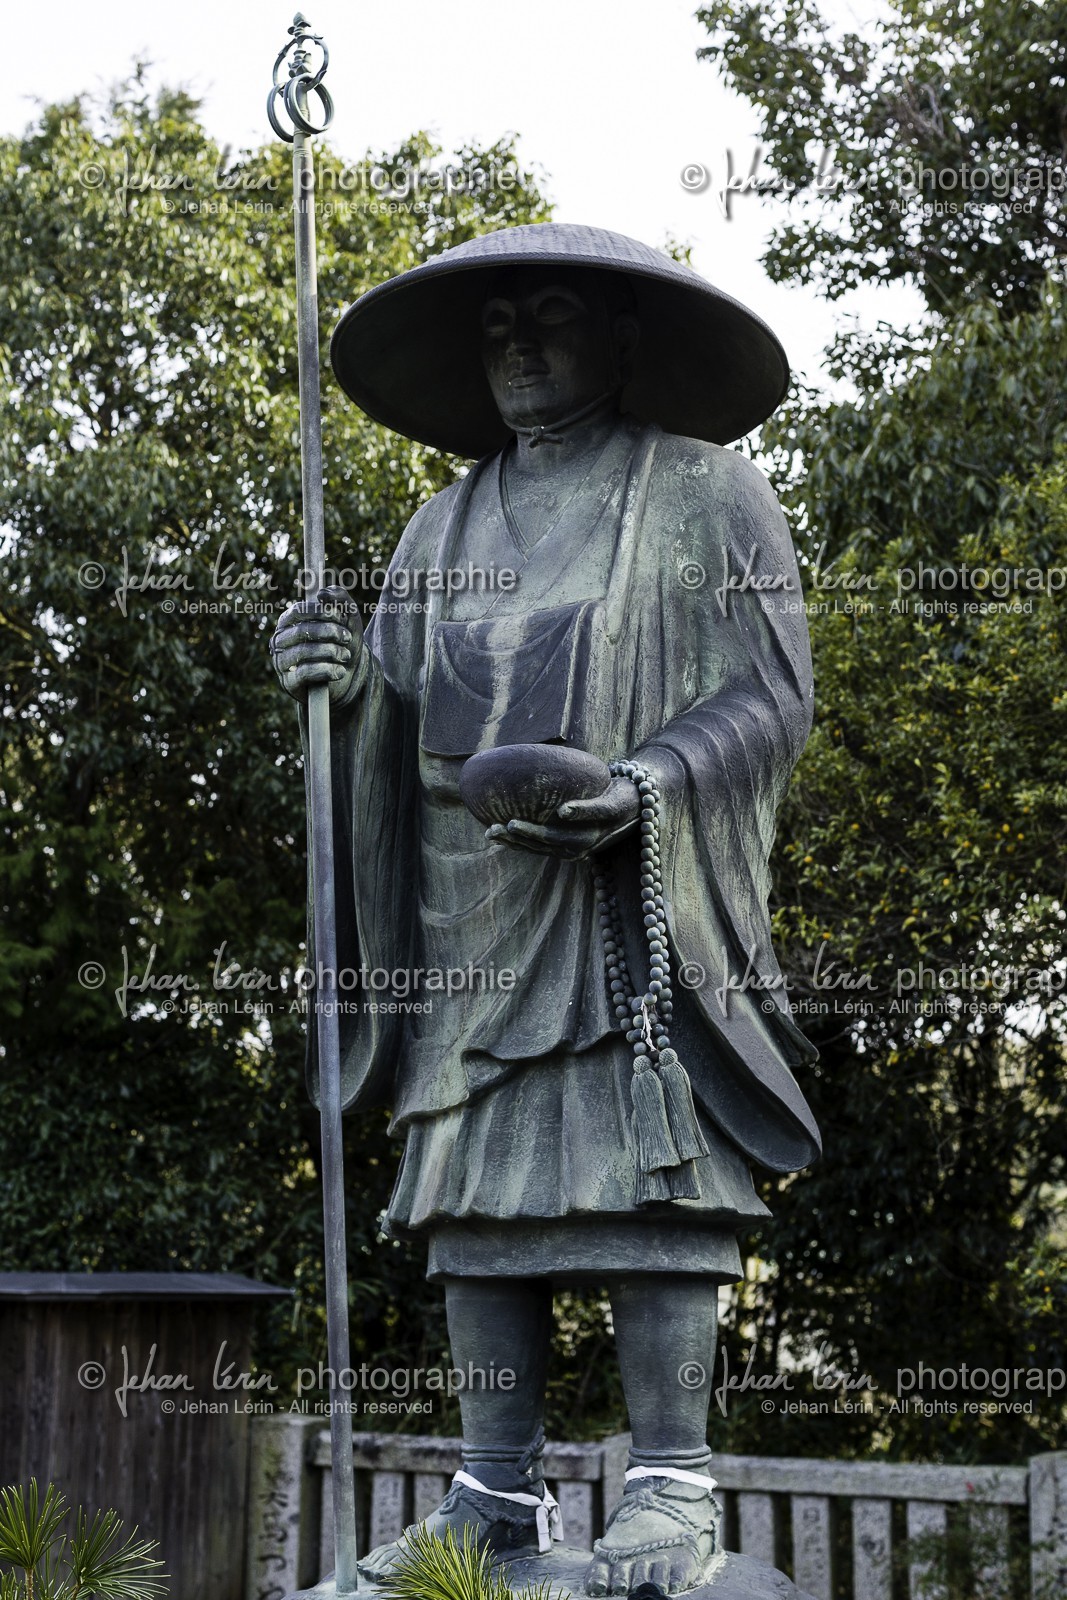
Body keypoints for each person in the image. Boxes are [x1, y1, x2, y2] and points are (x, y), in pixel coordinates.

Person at [271, 223, 820, 1598]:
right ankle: (489, 1496)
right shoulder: (437, 527)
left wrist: (645, 785)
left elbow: (771, 696)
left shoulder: (705, 493)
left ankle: (673, 1483)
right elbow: (396, 734)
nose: (518, 342)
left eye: (554, 314)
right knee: (482, 1201)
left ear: (623, 337)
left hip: (625, 888)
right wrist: (337, 686)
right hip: (470, 905)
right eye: (498, 322)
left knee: (646, 1178)